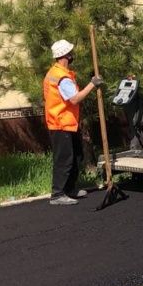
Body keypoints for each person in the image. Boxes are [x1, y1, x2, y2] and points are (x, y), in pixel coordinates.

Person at [43, 39, 103, 205]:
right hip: (60, 123)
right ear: (66, 56)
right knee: (64, 160)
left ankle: (69, 189)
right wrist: (92, 84)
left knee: (76, 156)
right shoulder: (61, 77)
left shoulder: (59, 73)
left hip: (68, 122)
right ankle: (57, 194)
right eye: (70, 52)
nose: (72, 55)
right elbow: (75, 99)